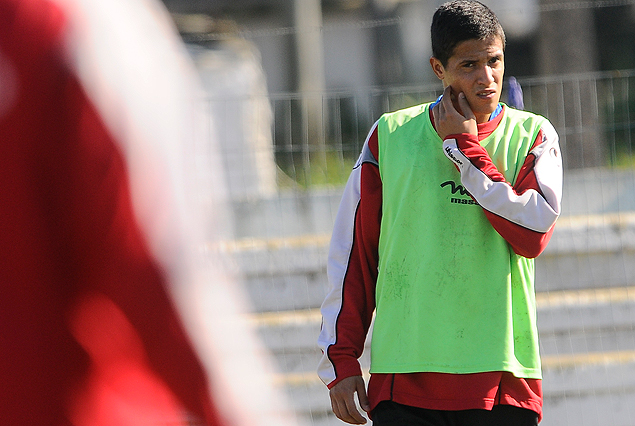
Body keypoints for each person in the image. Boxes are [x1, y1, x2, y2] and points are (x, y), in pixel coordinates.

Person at [317, 1, 563, 425]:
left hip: (502, 384)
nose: (487, 79)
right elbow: (355, 257)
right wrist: (341, 360)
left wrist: (464, 150)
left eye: (494, 61)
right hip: (404, 384)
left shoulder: (534, 134)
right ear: (438, 69)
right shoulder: (389, 137)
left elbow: (533, 235)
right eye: (469, 65)